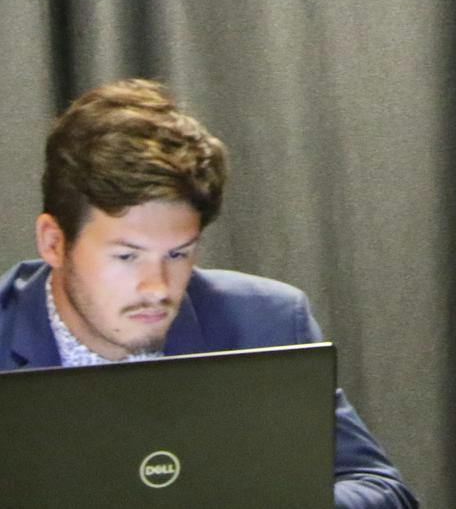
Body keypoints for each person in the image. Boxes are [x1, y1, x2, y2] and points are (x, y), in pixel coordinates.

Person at [0, 80, 416, 508]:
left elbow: (382, 489)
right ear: (53, 242)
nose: (158, 286)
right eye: (127, 257)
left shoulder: (267, 322)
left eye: (178, 254)